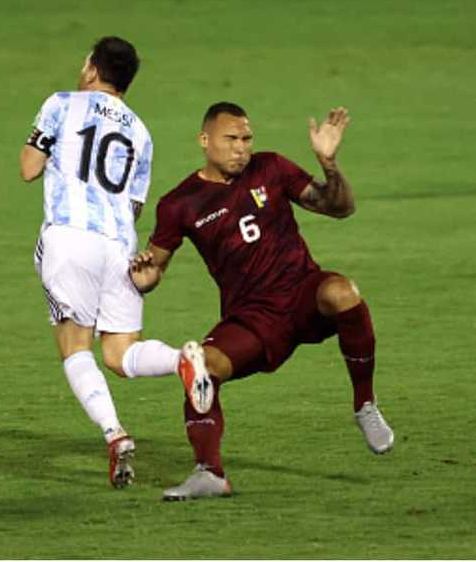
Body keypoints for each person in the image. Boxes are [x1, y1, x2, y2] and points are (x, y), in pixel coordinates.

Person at [129, 103, 394, 501]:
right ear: (205, 141)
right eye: (230, 139)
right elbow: (154, 272)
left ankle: (365, 404)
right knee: (201, 366)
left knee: (342, 292)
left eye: (246, 139)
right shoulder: (179, 204)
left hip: (302, 293)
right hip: (252, 318)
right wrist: (141, 274)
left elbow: (339, 208)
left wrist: (329, 163)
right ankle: (209, 472)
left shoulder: (270, 168)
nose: (241, 148)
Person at [19, 37, 213, 489]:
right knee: (120, 353)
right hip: (119, 246)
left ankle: (115, 433)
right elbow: (134, 207)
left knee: (75, 347)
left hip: (70, 237)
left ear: (91, 69)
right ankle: (180, 362)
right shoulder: (141, 133)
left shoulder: (61, 103)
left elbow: (29, 167)